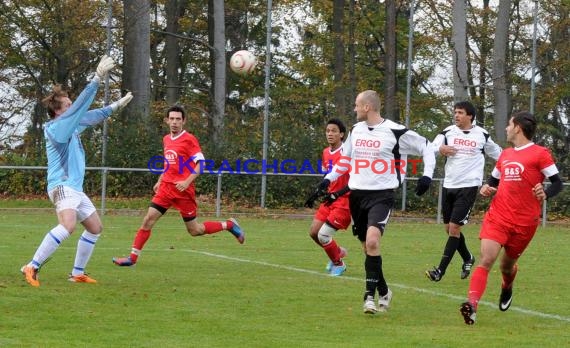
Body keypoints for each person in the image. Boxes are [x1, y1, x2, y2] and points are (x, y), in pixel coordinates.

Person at [316, 90, 436, 314]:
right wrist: (328, 179)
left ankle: (368, 297)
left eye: (356, 105)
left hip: (382, 196)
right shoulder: (357, 130)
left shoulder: (395, 131)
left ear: (367, 107)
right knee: (367, 248)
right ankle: (384, 290)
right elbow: (346, 160)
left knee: (372, 242)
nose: (354, 109)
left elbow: (427, 147)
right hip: (357, 196)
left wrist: (427, 175)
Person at [21, 55, 133, 287]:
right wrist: (96, 79)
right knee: (68, 225)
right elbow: (82, 107)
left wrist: (115, 106)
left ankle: (77, 273)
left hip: (74, 188)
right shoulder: (57, 128)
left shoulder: (70, 124)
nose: (73, 107)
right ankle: (32, 265)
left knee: (95, 228)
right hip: (62, 185)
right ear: (59, 112)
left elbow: (91, 116)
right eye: (69, 105)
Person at [460, 111, 563, 325]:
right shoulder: (505, 155)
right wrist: (488, 188)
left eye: (508, 125)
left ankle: (507, 286)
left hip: (525, 222)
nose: (506, 129)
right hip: (499, 216)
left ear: (517, 127)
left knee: (506, 266)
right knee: (487, 259)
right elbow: (493, 182)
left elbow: (557, 183)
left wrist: (546, 193)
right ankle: (472, 305)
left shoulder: (540, 153)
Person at [112, 105, 245, 267]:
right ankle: (132, 258)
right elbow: (169, 163)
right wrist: (160, 179)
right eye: (172, 119)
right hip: (166, 189)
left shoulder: (189, 139)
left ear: (184, 121)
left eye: (178, 119)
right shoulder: (166, 139)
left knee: (195, 230)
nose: (175, 122)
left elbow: (201, 164)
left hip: (183, 192)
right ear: (166, 120)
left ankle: (229, 225)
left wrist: (186, 181)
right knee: (148, 220)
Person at [425, 101, 501, 282]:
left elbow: (500, 155)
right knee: (449, 229)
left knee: (454, 228)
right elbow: (429, 148)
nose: (456, 115)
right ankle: (468, 257)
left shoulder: (482, 134)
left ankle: (440, 271)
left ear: (470, 116)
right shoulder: (447, 132)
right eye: (455, 112)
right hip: (448, 185)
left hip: (468, 186)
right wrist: (440, 148)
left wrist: (498, 177)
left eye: (460, 112)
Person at [304, 118, 352, 276]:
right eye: (328, 131)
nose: (330, 134)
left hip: (344, 199)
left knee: (323, 234)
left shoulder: (348, 152)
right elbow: (327, 175)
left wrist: (338, 193)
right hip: (329, 199)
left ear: (342, 134)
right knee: (313, 232)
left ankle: (338, 263)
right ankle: (337, 252)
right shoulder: (325, 152)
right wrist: (317, 193)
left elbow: (355, 180)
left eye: (334, 131)